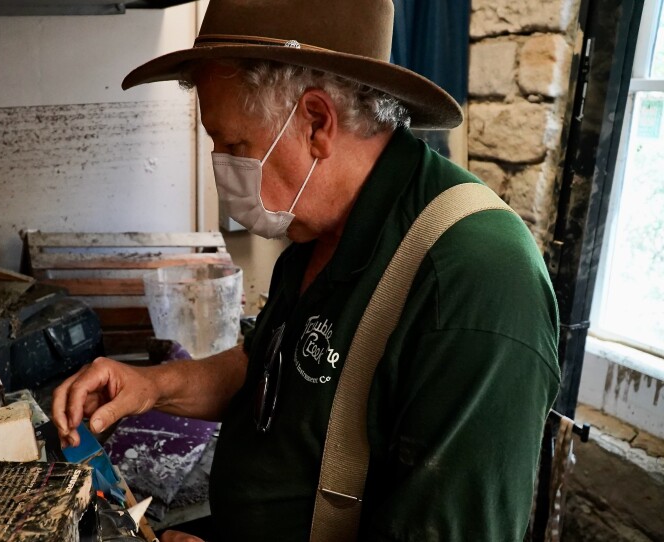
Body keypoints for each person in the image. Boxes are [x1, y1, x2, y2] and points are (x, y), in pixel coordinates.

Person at [52, 0, 561, 540]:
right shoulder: (317, 230)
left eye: (234, 144)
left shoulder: (475, 282)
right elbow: (275, 368)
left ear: (317, 122)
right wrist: (151, 386)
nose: (222, 167)